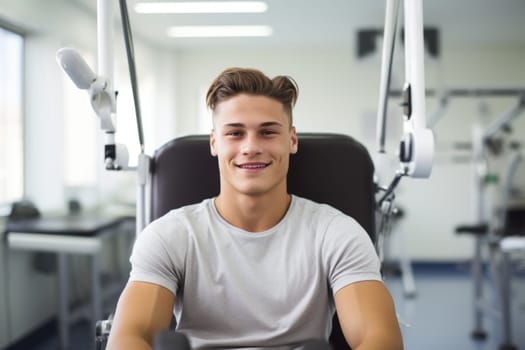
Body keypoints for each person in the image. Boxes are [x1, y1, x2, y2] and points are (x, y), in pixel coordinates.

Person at [106, 67, 403, 350]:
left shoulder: (336, 233)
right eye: (235, 133)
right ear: (214, 143)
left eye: (268, 132)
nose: (251, 147)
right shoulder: (170, 235)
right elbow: (130, 337)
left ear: (292, 140)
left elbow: (379, 338)